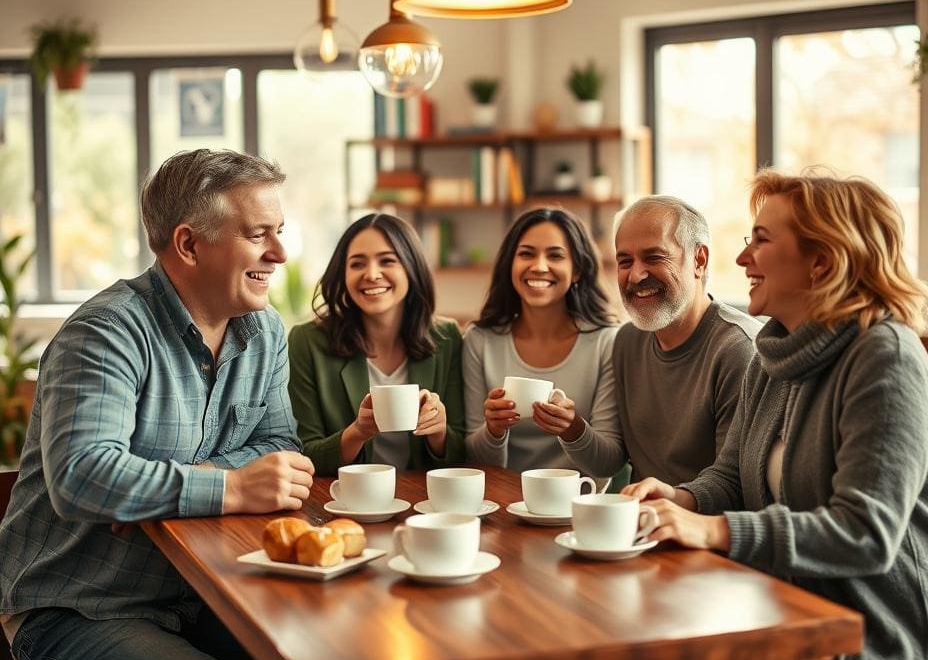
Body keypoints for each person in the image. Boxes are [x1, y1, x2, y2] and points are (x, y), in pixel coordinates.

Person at [623, 171, 928, 660]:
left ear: (821, 261)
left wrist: (712, 531)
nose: (741, 259)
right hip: (777, 614)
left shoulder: (887, 360)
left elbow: (865, 533)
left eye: (761, 240)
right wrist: (680, 498)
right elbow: (732, 476)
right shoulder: (774, 352)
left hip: (867, 643)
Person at [0, 148, 315, 660]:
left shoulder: (266, 333)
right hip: (78, 607)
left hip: (203, 590)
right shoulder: (105, 332)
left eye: (279, 230)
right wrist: (232, 486)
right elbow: (83, 476)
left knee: (322, 651)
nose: (280, 253)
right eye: (259, 234)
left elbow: (280, 449)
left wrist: (172, 484)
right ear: (189, 244)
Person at [288, 213, 465, 475]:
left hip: (423, 503)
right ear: (343, 273)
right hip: (344, 500)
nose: (372, 274)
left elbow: (463, 452)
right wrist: (358, 432)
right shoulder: (308, 341)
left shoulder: (447, 337)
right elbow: (303, 455)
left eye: (387, 261)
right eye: (357, 264)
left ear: (411, 267)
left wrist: (439, 432)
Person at [463, 207, 622, 480]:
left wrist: (573, 428)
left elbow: (609, 463)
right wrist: (493, 430)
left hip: (578, 505)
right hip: (498, 502)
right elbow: (471, 459)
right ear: (510, 265)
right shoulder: (480, 340)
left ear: (577, 271)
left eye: (555, 255)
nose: (538, 266)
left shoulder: (607, 342)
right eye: (526, 253)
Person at [613, 196, 759, 485]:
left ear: (699, 260)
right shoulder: (626, 342)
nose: (636, 274)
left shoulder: (740, 350)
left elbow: (735, 485)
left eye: (654, 257)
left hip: (704, 526)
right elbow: (613, 456)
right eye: (624, 261)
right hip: (637, 520)